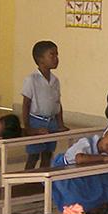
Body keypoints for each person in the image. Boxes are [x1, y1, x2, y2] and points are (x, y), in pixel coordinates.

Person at [51, 124, 108, 212]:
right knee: (77, 203)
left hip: (84, 176)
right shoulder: (86, 142)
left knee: (106, 192)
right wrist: (105, 158)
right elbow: (80, 158)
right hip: (66, 174)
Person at [22, 40, 67, 170]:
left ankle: (42, 182)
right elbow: (26, 105)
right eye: (51, 55)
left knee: (48, 154)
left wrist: (60, 124)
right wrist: (28, 127)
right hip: (36, 121)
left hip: (51, 122)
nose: (56, 58)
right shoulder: (31, 80)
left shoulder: (55, 80)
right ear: (40, 59)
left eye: (57, 55)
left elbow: (57, 103)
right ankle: (26, 182)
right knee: (34, 155)